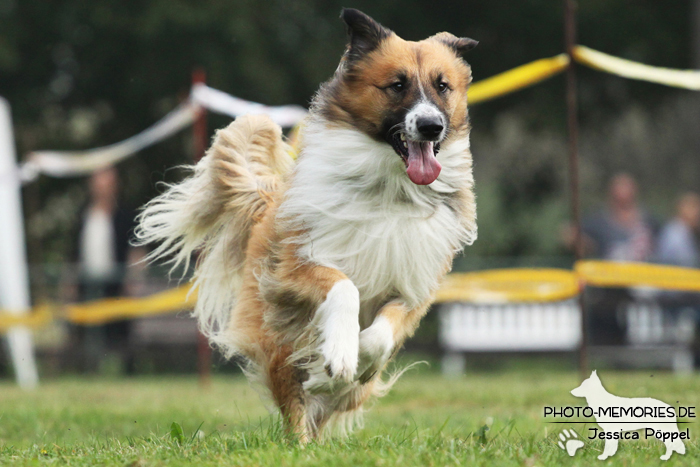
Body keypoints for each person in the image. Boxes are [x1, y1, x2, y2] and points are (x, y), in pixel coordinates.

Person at [68, 166, 144, 373]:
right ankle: (86, 372)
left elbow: (137, 250)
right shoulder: (83, 216)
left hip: (117, 284)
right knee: (84, 332)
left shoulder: (125, 215)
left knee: (121, 333)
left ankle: (128, 373)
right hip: (88, 284)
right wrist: (71, 283)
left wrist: (133, 278)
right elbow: (74, 254)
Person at [656, 193, 700, 268]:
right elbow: (686, 265)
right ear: (682, 209)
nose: (697, 212)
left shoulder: (685, 232)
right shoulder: (675, 234)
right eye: (693, 207)